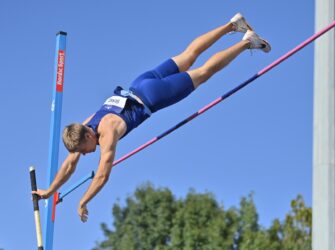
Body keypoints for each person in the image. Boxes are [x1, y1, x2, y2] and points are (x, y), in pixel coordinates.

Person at [33, 13, 271, 222]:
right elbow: (68, 164)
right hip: (140, 83)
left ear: (87, 135)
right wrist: (50, 191)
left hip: (154, 97)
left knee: (203, 73)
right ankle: (232, 25)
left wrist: (83, 201)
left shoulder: (106, 134)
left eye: (83, 149)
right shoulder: (86, 124)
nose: (85, 154)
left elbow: (103, 174)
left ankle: (246, 43)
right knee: (189, 54)